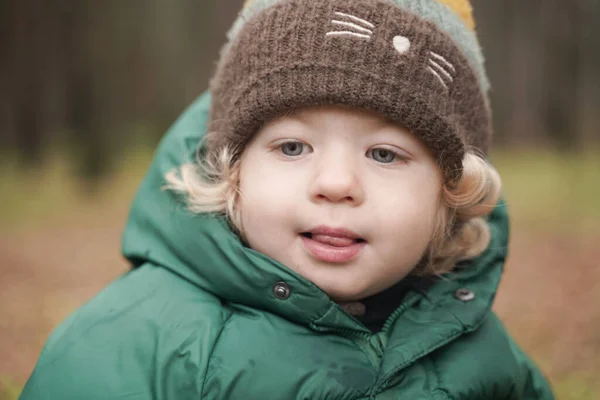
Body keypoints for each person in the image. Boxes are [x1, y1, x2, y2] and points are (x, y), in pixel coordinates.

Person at [20, 0, 555, 398]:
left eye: (386, 155)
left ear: (451, 195)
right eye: (293, 146)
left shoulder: (486, 359)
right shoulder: (126, 347)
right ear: (231, 172)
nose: (336, 183)